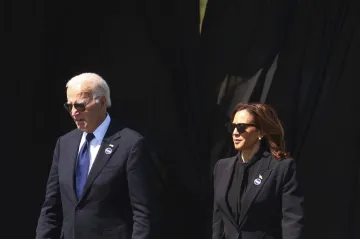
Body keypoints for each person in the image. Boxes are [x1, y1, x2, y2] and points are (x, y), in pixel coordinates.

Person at [36, 73, 159, 239]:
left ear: (101, 102)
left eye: (79, 105)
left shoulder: (130, 145)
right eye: (69, 106)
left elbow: (143, 214)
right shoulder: (64, 144)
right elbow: (51, 208)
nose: (73, 113)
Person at [212, 103, 304, 239]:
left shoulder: (281, 168)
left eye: (241, 127)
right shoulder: (221, 167)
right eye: (232, 127)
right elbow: (218, 220)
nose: (235, 132)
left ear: (260, 132)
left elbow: (292, 221)